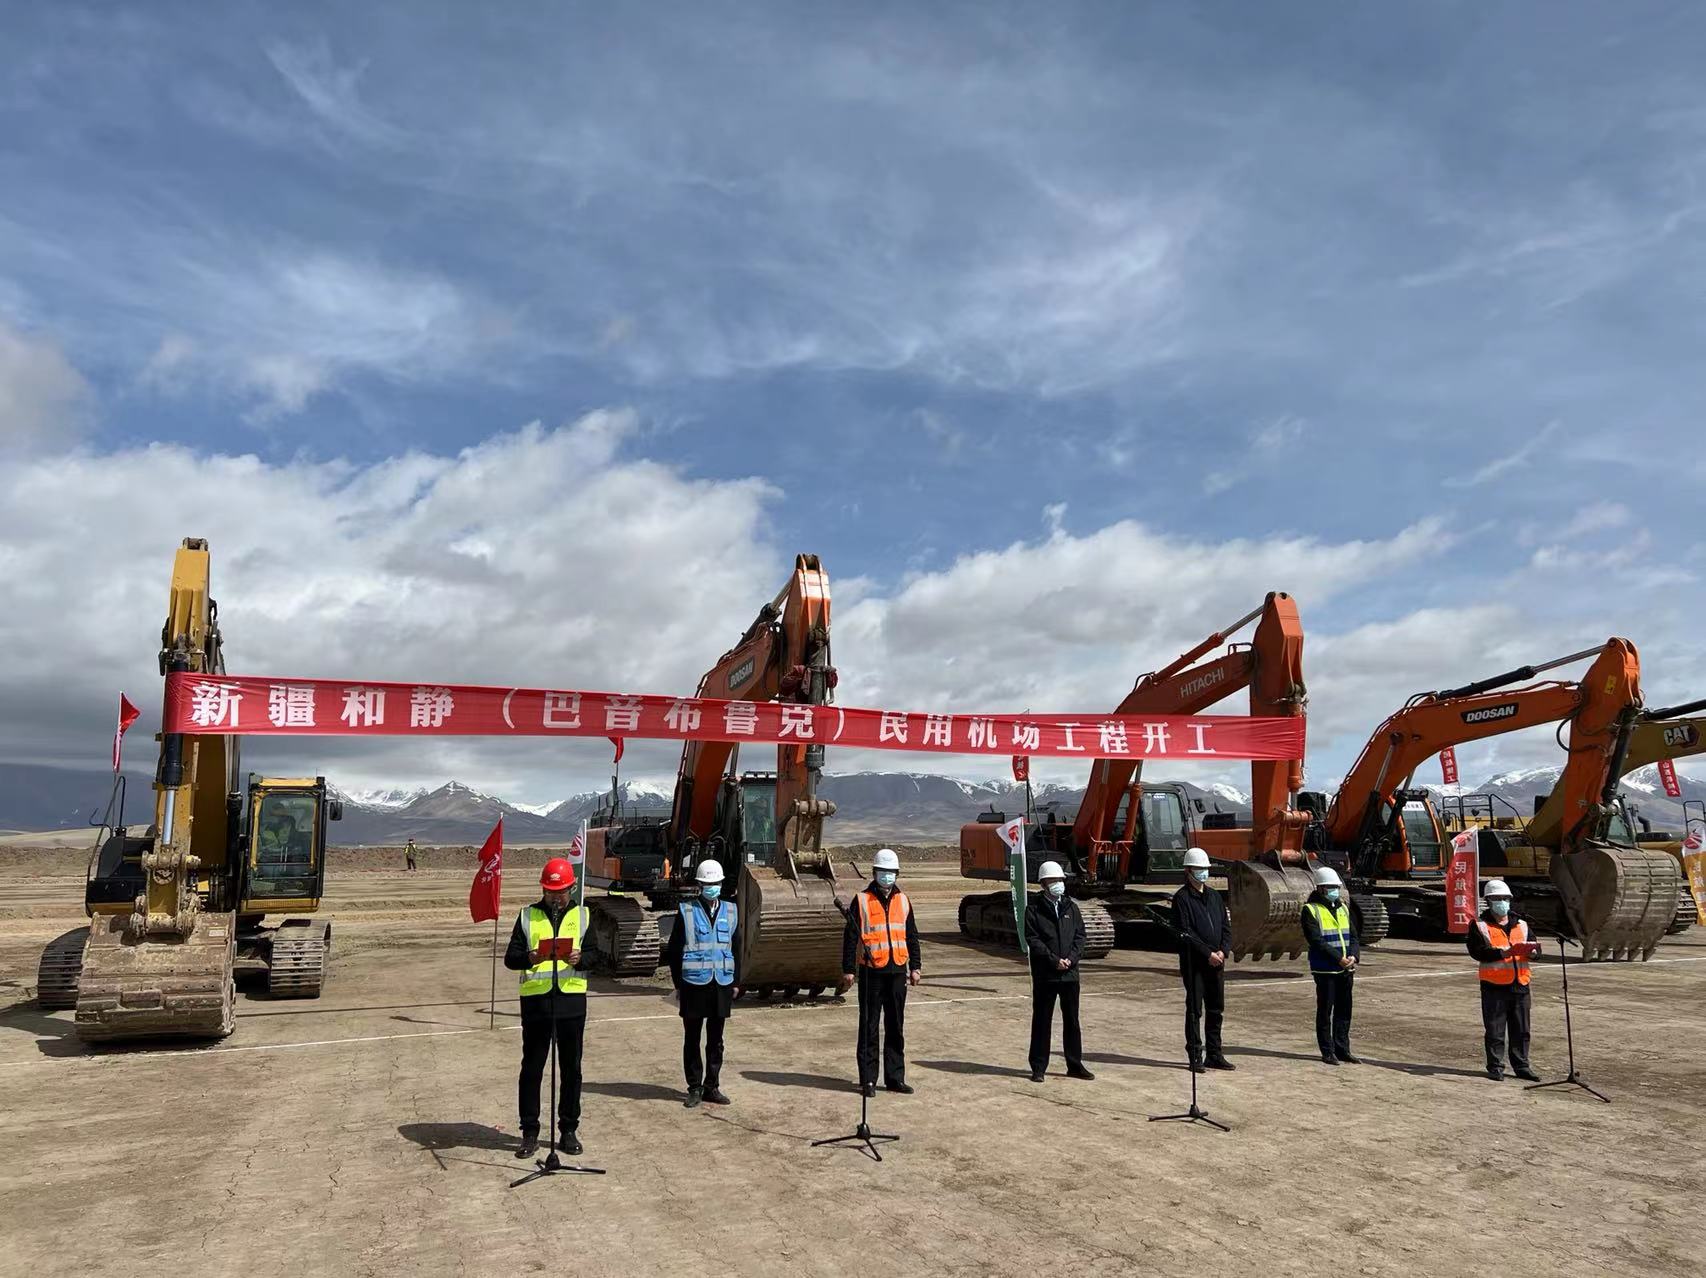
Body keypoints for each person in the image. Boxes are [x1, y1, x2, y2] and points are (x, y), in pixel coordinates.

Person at [502, 858, 587, 1157]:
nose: (555, 897)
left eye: (560, 891)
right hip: (536, 1004)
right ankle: (529, 1132)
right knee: (532, 1068)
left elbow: (598, 957)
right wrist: (530, 957)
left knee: (571, 1069)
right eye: (550, 891)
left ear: (571, 888)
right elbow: (510, 958)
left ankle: (568, 1130)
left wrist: (581, 959)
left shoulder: (584, 915)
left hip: (571, 1003)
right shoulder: (527, 916)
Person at [838, 848, 921, 1096]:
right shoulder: (862, 900)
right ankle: (868, 1080)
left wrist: (915, 966)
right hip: (871, 972)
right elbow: (850, 936)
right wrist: (848, 969)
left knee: (895, 1026)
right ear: (874, 873)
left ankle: (895, 1078)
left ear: (897, 874)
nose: (887, 876)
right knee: (869, 1026)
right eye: (883, 872)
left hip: (897, 971)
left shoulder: (903, 900)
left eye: (891, 872)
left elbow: (911, 935)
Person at [666, 860, 740, 1108]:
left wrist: (737, 981)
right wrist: (678, 984)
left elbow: (736, 947)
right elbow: (675, 949)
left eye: (715, 883)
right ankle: (694, 1087)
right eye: (708, 884)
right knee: (692, 1038)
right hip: (693, 984)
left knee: (716, 1040)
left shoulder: (731, 910)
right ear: (699, 885)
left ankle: (712, 1086)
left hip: (721, 983)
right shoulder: (687, 910)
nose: (712, 887)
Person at [1024, 861, 1094, 1083]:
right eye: (1053, 881)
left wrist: (1071, 959)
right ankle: (1038, 1067)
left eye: (1060, 880)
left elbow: (1080, 936)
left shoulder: (1071, 908)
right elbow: (1033, 939)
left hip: (1070, 975)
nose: (1058, 884)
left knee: (1072, 1020)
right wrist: (1054, 961)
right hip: (1046, 975)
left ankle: (1074, 1064)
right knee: (1042, 1020)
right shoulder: (1033, 910)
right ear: (1043, 884)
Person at [1465, 878, 1541, 1082]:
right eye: (1497, 898)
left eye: (1505, 898)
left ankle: (1522, 1066)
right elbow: (1477, 952)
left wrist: (1533, 953)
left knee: (1522, 1029)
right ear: (1489, 902)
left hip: (1520, 983)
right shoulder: (1480, 926)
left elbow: (1535, 947)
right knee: (1495, 1030)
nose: (1502, 902)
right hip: (1494, 986)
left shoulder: (1522, 924)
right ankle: (1495, 1066)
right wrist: (1502, 953)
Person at [1170, 847, 1234, 1072]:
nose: (1203, 872)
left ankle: (1214, 1054)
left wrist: (1223, 951)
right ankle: (1195, 1055)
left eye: (1205, 868)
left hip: (1217, 962)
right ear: (1188, 871)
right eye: (1198, 869)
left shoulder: (1215, 896)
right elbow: (1186, 932)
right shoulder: (1182, 898)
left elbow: (1225, 927)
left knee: (1216, 1009)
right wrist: (1208, 954)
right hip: (1195, 963)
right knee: (1194, 1010)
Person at [1300, 866, 1360, 1065]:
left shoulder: (1343, 908)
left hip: (1346, 968)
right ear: (1320, 889)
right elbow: (1316, 940)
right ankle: (1327, 1051)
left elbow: (1353, 936)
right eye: (1330, 887)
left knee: (1344, 1010)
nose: (1335, 891)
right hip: (1325, 969)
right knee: (1325, 1011)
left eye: (1336, 887)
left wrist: (1353, 956)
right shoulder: (1310, 910)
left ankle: (1343, 1049)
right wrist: (1338, 958)